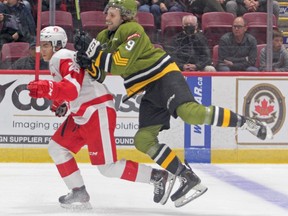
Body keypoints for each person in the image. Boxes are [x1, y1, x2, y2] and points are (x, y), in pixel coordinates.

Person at [74, 0, 273, 208]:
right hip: (149, 89)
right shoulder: (104, 37)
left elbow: (119, 62)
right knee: (143, 140)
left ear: (124, 15)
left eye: (112, 14)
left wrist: (94, 51)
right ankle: (186, 176)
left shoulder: (132, 29)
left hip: (164, 75)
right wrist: (86, 60)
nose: (107, 18)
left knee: (190, 113)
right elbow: (100, 74)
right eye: (107, 13)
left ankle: (246, 122)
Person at [26, 26, 175, 209]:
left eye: (46, 45)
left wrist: (46, 88)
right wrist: (60, 102)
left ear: (57, 45)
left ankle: (157, 176)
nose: (43, 50)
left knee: (108, 167)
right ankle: (78, 192)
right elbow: (73, 88)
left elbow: (71, 89)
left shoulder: (61, 56)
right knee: (57, 147)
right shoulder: (62, 58)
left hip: (97, 111)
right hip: (82, 113)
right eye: (42, 45)